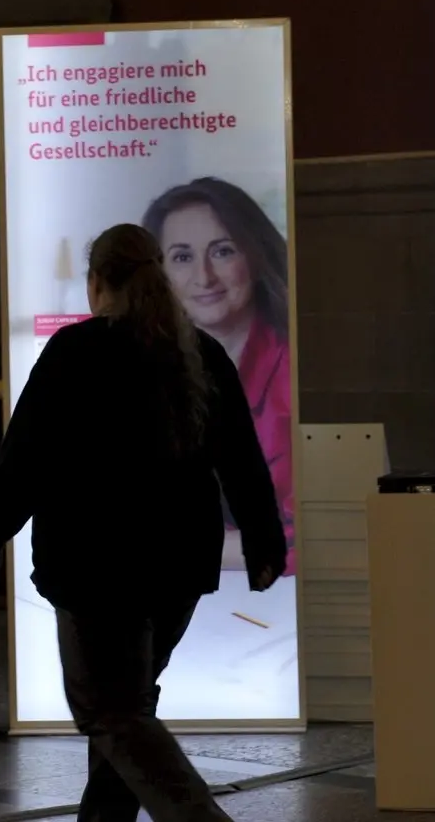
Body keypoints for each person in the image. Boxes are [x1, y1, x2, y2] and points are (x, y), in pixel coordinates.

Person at [0, 223, 286, 822]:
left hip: (94, 570)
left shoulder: (76, 353)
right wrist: (266, 543)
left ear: (96, 284)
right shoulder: (198, 352)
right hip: (177, 570)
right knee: (127, 708)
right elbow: (242, 460)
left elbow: (24, 459)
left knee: (111, 713)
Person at [143, 178, 295, 577]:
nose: (204, 277)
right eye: (181, 257)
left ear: (255, 255)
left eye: (222, 251)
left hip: (275, 610)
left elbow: (314, 542)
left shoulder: (298, 376)